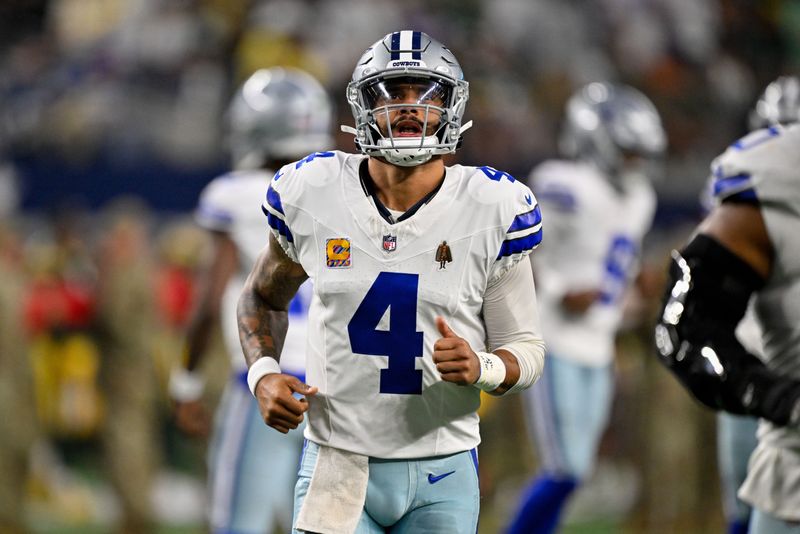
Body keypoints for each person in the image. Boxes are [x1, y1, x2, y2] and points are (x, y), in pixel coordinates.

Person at [237, 30, 546, 533]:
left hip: (442, 469)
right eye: (393, 93)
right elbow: (260, 295)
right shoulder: (312, 191)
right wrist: (263, 373)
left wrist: (483, 365)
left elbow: (526, 350)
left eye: (425, 94)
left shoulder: (493, 207)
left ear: (452, 105)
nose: (408, 108)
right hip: (337, 462)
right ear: (362, 106)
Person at [169, 67, 333, 533]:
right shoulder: (341, 194)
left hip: (265, 381)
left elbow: (206, 302)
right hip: (333, 387)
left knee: (239, 525)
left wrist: (185, 383)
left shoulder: (235, 194)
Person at [507, 82, 667, 534]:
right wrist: (559, 290)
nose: (635, 163)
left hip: (600, 345)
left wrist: (637, 287)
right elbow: (521, 255)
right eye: (628, 151)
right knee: (566, 468)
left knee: (576, 472)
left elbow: (618, 265)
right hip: (554, 340)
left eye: (640, 153)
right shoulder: (563, 184)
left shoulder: (640, 198)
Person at [654, 74, 800, 534]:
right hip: (792, 463)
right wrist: (772, 395)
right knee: (735, 502)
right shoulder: (776, 176)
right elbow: (688, 324)